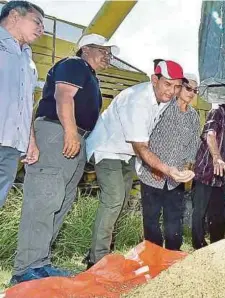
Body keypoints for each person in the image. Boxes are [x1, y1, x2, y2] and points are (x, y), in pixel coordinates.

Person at [11, 33, 117, 284]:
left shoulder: (89, 74)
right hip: (58, 133)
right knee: (44, 200)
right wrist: (70, 133)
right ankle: (25, 268)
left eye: (109, 53)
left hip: (73, 136)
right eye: (104, 51)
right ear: (86, 49)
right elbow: (63, 96)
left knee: (59, 202)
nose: (108, 57)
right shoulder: (74, 64)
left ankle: (40, 263)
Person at [82, 59, 192, 268]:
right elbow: (141, 147)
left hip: (126, 154)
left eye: (177, 86)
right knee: (114, 200)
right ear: (154, 80)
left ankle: (100, 252)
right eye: (167, 84)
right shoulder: (138, 100)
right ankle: (97, 262)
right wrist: (168, 170)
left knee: (121, 204)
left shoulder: (164, 100)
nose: (172, 91)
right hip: (107, 149)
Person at [137, 73, 200, 251]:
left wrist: (187, 169)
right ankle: (153, 256)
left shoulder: (193, 117)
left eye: (195, 91)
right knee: (151, 218)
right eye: (188, 88)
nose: (192, 93)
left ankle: (172, 257)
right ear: (179, 87)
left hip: (175, 178)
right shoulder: (162, 107)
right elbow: (146, 137)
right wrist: (154, 167)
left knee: (174, 219)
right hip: (152, 174)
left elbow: (193, 145)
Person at [191, 77, 225, 249]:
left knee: (218, 212)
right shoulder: (217, 111)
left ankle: (217, 246)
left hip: (220, 173)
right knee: (199, 211)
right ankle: (198, 246)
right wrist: (216, 157)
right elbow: (210, 134)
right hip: (206, 168)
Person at [0, 1, 44, 207]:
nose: (42, 29)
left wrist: (30, 140)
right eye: (37, 22)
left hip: (11, 146)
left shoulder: (28, 60)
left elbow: (25, 105)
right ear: (15, 16)